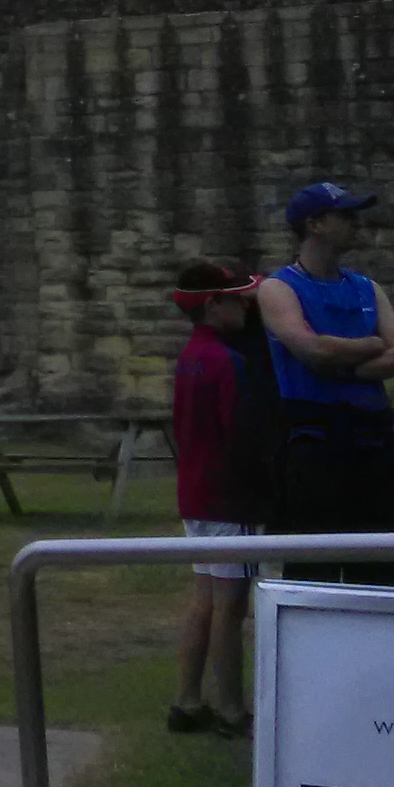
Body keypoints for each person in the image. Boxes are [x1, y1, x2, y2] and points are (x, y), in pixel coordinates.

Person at [260, 183, 394, 585]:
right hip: (314, 437)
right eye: (345, 216)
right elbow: (312, 350)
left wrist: (351, 368)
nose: (356, 223)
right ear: (314, 224)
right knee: (315, 566)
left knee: (384, 564)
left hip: (372, 437)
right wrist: (371, 345)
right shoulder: (279, 288)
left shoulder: (366, 288)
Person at [166, 261, 265, 738]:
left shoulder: (190, 357)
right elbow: (239, 434)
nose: (244, 305)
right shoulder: (228, 361)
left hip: (195, 492)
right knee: (231, 603)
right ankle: (230, 709)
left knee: (204, 596)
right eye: (234, 299)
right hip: (228, 497)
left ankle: (186, 700)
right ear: (212, 305)